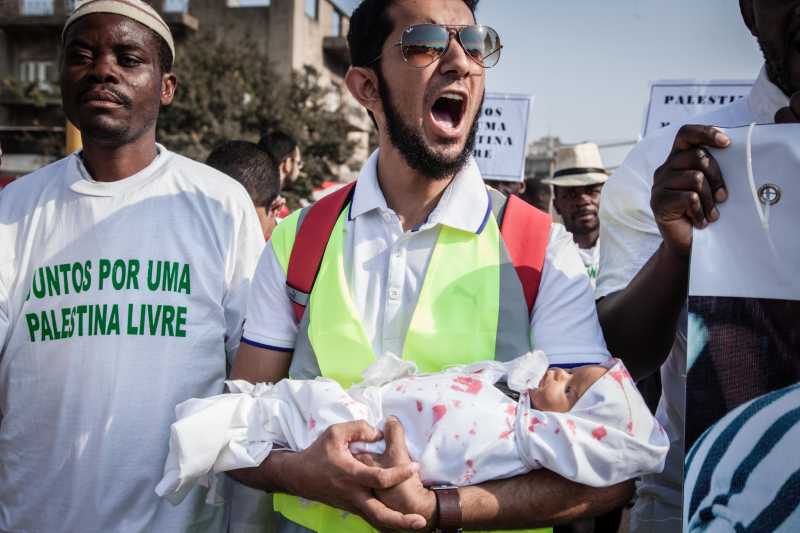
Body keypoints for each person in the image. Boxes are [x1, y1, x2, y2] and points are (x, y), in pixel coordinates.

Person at [228, 1, 633, 532]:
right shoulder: (299, 240)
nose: (461, 61)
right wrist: (302, 473)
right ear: (366, 88)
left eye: (473, 41)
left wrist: (438, 509)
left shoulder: (540, 249)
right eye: (425, 42)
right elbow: (234, 429)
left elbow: (612, 470)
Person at [0, 1, 263, 531]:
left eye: (128, 57)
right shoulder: (14, 209)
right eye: (82, 56)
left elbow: (253, 391)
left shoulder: (218, 203)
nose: (103, 70)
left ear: (166, 86)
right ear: (62, 78)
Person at [596, 0, 800, 530]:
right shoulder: (669, 164)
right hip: (703, 503)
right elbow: (622, 359)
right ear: (749, 12)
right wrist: (679, 251)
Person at [158, 355, 667, 501]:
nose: (559, 373)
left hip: (373, 436)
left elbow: (447, 456)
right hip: (358, 412)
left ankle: (222, 427)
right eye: (571, 372)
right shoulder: (312, 232)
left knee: (288, 412)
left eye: (572, 391)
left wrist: (438, 508)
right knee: (287, 408)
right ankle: (228, 424)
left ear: (572, 434)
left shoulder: (518, 436)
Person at [543, 143, 607, 286]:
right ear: (556, 204)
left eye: (591, 191)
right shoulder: (546, 256)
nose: (583, 200)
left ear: (607, 196)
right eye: (571, 194)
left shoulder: (624, 248)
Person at [206, 140, 286, 240]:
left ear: (275, 208)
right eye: (213, 209)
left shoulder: (290, 250)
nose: (223, 227)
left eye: (241, 217)